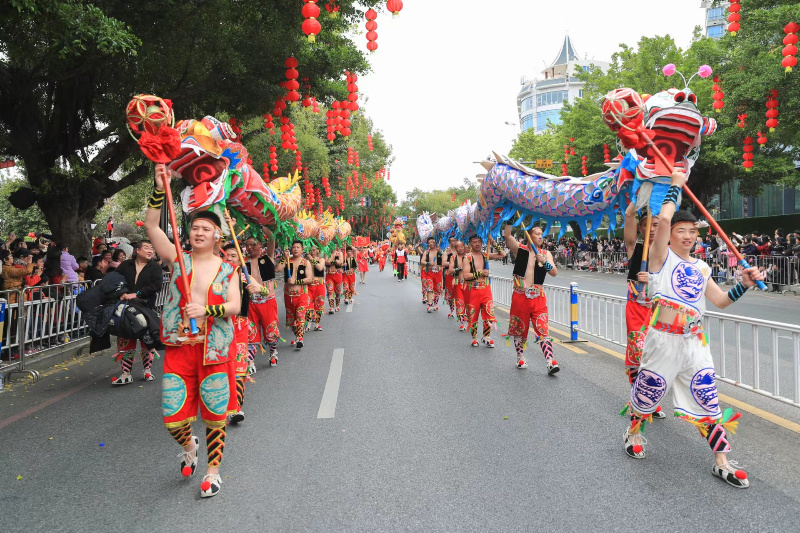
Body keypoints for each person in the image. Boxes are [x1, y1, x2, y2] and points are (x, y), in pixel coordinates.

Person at [623, 170, 764, 489]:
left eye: (692, 231)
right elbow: (663, 217)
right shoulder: (659, 258)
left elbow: (721, 301)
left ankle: (722, 461)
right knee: (648, 394)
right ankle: (633, 433)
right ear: (669, 235)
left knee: (707, 396)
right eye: (681, 230)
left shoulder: (701, 268)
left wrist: (742, 285)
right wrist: (674, 186)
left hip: (694, 343)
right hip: (662, 341)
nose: (688, 235)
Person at [145, 163, 241, 498]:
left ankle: (213, 473)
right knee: (172, 418)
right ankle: (189, 447)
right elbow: (151, 226)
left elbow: (234, 307)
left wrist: (206, 309)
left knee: (216, 417)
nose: (199, 232)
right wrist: (161, 187)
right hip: (179, 348)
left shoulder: (228, 270)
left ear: (218, 236)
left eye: (206, 228)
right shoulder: (177, 260)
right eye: (195, 227)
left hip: (213, 349)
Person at [622, 203, 666, 420]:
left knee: (655, 357)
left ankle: (647, 398)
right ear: (640, 228)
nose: (652, 229)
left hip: (659, 312)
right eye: (648, 224)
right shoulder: (635, 249)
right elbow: (629, 214)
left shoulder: (667, 255)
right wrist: (640, 195)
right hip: (636, 310)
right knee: (638, 353)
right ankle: (639, 397)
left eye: (656, 225)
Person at [502, 224, 560, 373]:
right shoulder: (520, 250)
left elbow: (554, 272)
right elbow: (508, 236)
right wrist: (508, 219)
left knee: (542, 328)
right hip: (520, 296)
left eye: (541, 234)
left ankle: (550, 361)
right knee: (519, 329)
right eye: (537, 234)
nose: (541, 237)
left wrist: (544, 262)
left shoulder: (545, 253)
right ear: (529, 235)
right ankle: (520, 357)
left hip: (538, 297)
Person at [111, 241, 164, 386]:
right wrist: (122, 293)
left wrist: (137, 294)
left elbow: (156, 286)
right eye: (147, 248)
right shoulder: (125, 265)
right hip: (125, 308)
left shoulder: (155, 268)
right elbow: (115, 280)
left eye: (152, 248)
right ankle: (126, 373)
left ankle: (147, 370)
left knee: (147, 340)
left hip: (145, 307)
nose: (150, 250)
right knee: (125, 339)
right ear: (137, 250)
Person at [222, 241, 253, 425]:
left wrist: (259, 289)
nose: (231, 259)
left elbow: (262, 291)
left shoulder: (246, 277)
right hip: (221, 326)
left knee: (239, 369)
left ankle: (236, 408)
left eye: (235, 256)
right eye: (228, 255)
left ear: (242, 260)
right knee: (223, 368)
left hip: (240, 327)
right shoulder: (216, 277)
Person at [242, 233, 279, 368]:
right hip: (251, 302)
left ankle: (273, 352)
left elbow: (271, 239)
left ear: (260, 244)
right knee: (251, 332)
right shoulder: (243, 262)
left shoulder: (267, 256)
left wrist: (265, 226)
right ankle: (250, 362)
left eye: (252, 244)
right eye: (247, 245)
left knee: (270, 332)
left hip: (268, 300)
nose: (249, 247)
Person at [463, 234, 505, 347]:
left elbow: (503, 254)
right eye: (474, 242)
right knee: (473, 315)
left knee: (489, 313)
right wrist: (480, 273)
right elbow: (466, 276)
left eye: (479, 241)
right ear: (470, 244)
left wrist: (494, 243)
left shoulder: (485, 255)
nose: (477, 244)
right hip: (473, 289)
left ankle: (486, 336)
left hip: (485, 288)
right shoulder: (467, 257)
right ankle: (474, 337)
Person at [277, 240, 311, 348]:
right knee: (292, 321)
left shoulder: (306, 262)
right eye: (294, 247)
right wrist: (284, 257)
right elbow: (277, 269)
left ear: (302, 249)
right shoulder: (287, 260)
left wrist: (296, 282)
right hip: (289, 295)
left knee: (300, 317)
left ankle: (300, 338)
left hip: (301, 295)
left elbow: (309, 279)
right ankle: (297, 336)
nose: (295, 249)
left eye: (298, 247)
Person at [447, 240, 469, 332]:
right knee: (460, 303)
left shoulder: (469, 256)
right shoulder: (453, 257)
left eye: (462, 246)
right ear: (456, 249)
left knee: (469, 303)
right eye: (458, 247)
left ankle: (470, 322)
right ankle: (463, 323)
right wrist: (460, 268)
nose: (461, 248)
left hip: (469, 284)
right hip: (458, 283)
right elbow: (450, 270)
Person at [420, 236, 444, 312]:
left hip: (438, 273)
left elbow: (441, 263)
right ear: (428, 244)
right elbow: (422, 261)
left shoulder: (439, 252)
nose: (431, 243)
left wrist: (439, 267)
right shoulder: (426, 252)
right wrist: (428, 263)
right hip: (429, 273)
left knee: (438, 289)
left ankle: (435, 304)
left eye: (432, 242)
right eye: (429, 242)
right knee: (429, 288)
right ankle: (429, 304)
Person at [305, 246, 326, 331]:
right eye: (310, 250)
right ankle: (308, 324)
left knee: (319, 305)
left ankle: (317, 324)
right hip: (309, 286)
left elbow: (320, 267)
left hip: (319, 286)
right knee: (308, 305)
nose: (312, 252)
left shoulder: (321, 260)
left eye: (314, 250)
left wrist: (311, 259)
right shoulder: (305, 261)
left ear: (318, 250)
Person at [325, 246, 344, 312]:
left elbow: (340, 262)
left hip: (338, 274)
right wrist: (335, 261)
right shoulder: (327, 253)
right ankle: (331, 307)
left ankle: (337, 306)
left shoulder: (340, 253)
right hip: (329, 275)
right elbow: (326, 262)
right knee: (330, 291)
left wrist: (331, 261)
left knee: (338, 292)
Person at [442, 237, 457, 319]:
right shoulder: (447, 251)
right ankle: (452, 311)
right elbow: (443, 263)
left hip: (460, 274)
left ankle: (461, 312)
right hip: (450, 274)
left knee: (460, 293)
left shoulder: (461, 249)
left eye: (455, 240)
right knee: (451, 294)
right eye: (451, 241)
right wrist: (453, 263)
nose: (453, 242)